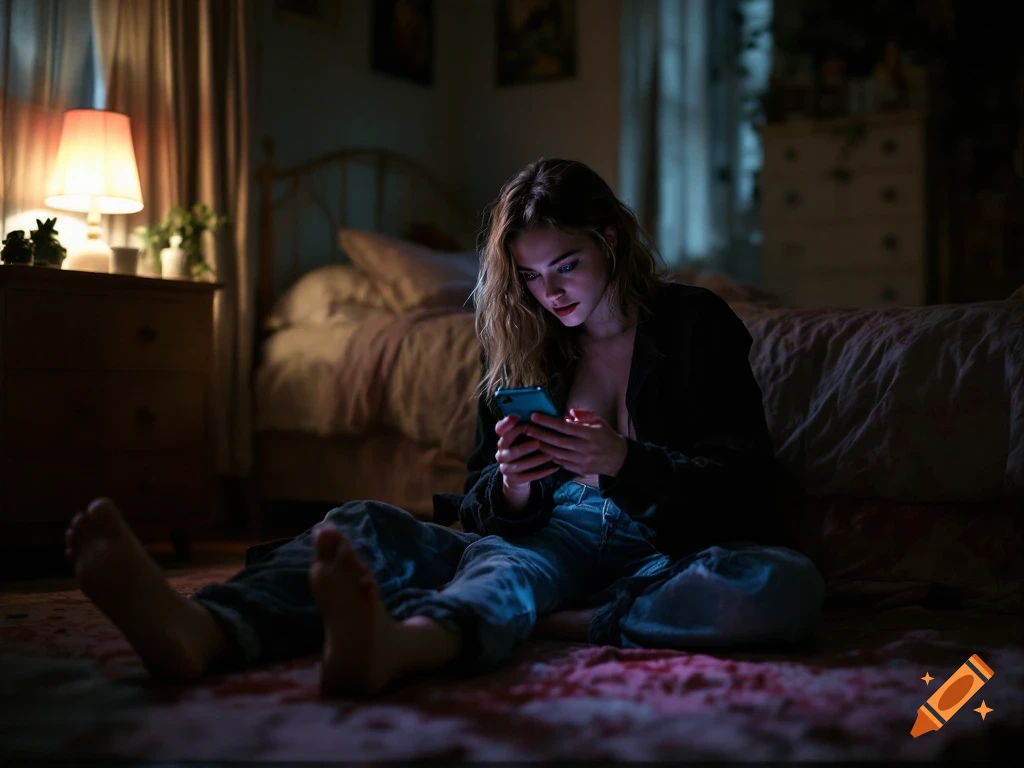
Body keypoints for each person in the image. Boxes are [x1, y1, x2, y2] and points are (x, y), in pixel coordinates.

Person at [64, 158, 825, 697]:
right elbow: (478, 497)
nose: (547, 293)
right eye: (528, 276)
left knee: (778, 586)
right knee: (370, 528)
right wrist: (519, 487)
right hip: (545, 539)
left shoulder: (696, 324)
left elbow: (743, 487)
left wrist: (622, 460)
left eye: (565, 265)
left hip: (656, 548)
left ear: (610, 243)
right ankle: (206, 628)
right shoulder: (522, 338)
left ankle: (547, 623)